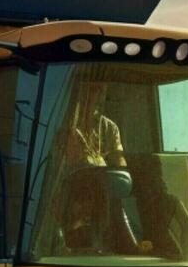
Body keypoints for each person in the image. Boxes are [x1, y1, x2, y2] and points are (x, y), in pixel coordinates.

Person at [54, 83, 144, 254]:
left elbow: (119, 163)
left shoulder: (108, 127)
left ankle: (124, 248)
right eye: (93, 90)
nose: (98, 96)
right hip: (71, 189)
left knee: (114, 189)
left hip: (102, 188)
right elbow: (72, 165)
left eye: (101, 91)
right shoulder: (64, 125)